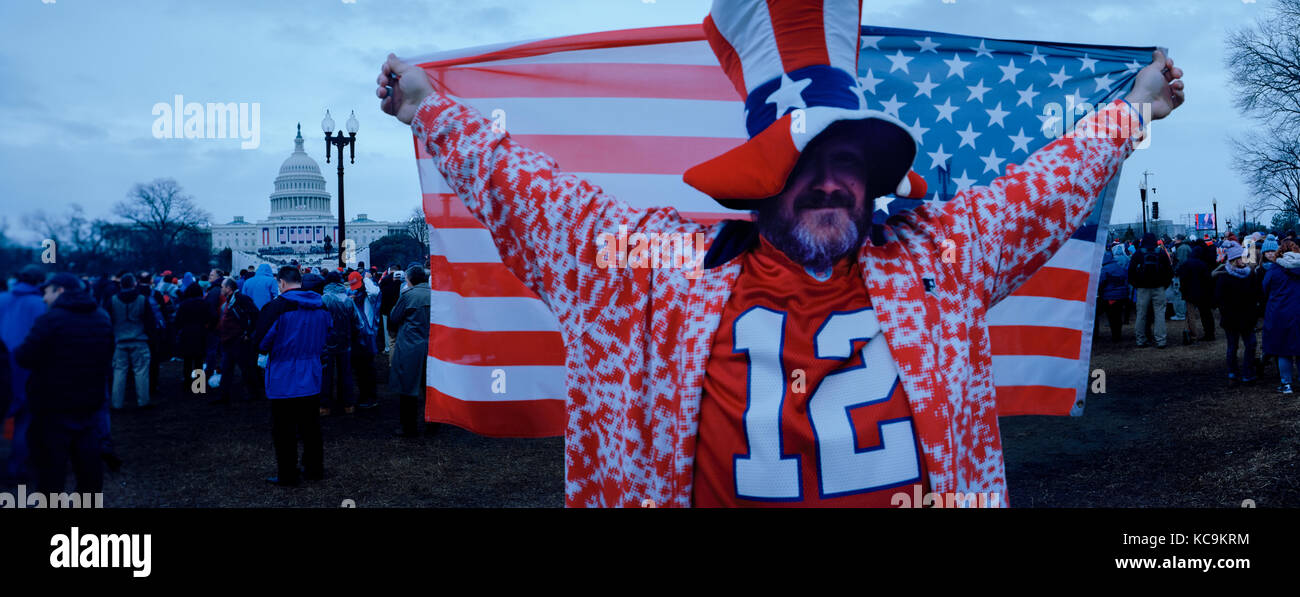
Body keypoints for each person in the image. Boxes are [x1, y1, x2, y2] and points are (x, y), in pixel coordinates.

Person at [377, 1, 1184, 507]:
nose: (831, 184)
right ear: (759, 182)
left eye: (849, 163)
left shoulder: (940, 256)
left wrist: (1134, 113)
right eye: (803, 163)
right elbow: (538, 199)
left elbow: (1044, 186)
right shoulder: (659, 274)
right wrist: (428, 111)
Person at [14, 273, 115, 493]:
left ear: (60, 290)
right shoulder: (101, 316)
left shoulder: (50, 320)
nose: (43, 298)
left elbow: (24, 356)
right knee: (89, 469)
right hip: (89, 404)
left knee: (51, 471)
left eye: (46, 292)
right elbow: (108, 354)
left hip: (53, 407)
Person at [251, 266, 330, 486]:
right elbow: (327, 335)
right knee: (311, 426)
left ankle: (288, 473)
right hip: (312, 373)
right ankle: (314, 468)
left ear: (282, 283)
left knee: (283, 429)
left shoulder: (276, 307)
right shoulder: (321, 305)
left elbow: (261, 341)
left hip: (283, 376)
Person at [0, 264, 48, 480]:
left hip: (2, 364)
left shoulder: (1, 299)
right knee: (25, 420)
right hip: (27, 368)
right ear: (39, 282)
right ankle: (16, 467)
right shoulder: (40, 304)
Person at [387, 264, 431, 437]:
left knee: (408, 388)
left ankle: (408, 426)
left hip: (411, 346)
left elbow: (394, 317)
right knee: (429, 388)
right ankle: (433, 423)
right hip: (432, 345)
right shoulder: (436, 294)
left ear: (410, 279)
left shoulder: (408, 295)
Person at [1214, 242, 1264, 385]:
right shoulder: (1224, 277)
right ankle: (1233, 373)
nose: (1245, 260)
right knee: (1233, 346)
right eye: (1242, 258)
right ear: (1234, 260)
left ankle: (1247, 373)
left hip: (1247, 317)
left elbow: (1257, 294)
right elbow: (1219, 298)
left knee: (1251, 344)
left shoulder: (1250, 275)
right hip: (1232, 318)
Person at [108, 274, 155, 410]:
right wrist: (153, 340)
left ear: (121, 284)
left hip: (120, 341)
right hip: (139, 340)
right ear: (134, 284)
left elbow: (108, 321)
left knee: (119, 372)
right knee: (141, 372)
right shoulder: (142, 299)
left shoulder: (113, 300)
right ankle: (143, 401)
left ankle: (117, 403)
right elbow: (150, 322)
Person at [213, 278, 262, 403]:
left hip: (238, 341)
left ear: (229, 288)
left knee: (246, 368)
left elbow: (256, 315)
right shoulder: (229, 301)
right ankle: (223, 396)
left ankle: (254, 393)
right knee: (227, 368)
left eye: (223, 287)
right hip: (228, 340)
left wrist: (248, 333)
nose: (221, 289)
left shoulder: (241, 299)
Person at [319, 271, 358, 416]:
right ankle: (348, 404)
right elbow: (357, 322)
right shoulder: (348, 300)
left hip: (326, 342)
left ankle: (324, 406)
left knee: (325, 374)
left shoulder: (322, 299)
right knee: (346, 373)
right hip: (345, 341)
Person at [1263, 242, 1300, 394]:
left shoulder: (1274, 269)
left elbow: (1265, 287)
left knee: (1283, 350)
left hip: (1279, 314)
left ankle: (1286, 384)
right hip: (1298, 311)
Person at [1129, 233, 1175, 348]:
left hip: (1142, 288)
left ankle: (1141, 340)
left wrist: (1136, 284)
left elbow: (1131, 272)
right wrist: (1164, 285)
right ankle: (1161, 340)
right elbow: (1169, 271)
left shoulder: (1138, 253)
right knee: (1159, 314)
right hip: (1159, 287)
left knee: (1141, 314)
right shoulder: (1161, 253)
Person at [349, 271, 381, 409]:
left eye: (358, 285)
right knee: (359, 369)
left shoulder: (370, 296)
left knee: (369, 368)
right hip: (357, 337)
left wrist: (367, 279)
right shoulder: (354, 296)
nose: (356, 289)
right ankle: (363, 395)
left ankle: (371, 397)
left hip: (368, 337)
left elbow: (374, 292)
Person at [173, 283, 213, 395]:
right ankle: (198, 385)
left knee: (187, 359)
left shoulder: (184, 304)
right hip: (200, 332)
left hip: (186, 332)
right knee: (199, 359)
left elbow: (177, 320)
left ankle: (186, 383)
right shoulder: (205, 303)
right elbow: (211, 317)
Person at [1177, 242, 1217, 344]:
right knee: (1206, 314)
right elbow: (1208, 280)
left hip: (1189, 293)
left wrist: (1183, 291)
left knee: (1191, 315)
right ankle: (1209, 333)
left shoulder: (1186, 263)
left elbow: (1183, 279)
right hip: (1203, 293)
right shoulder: (1203, 264)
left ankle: (1193, 335)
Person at [1097, 250, 1129, 342]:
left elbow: (1101, 283)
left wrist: (1100, 292)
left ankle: (1096, 335)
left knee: (1108, 316)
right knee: (1117, 316)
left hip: (1109, 296)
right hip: (1121, 296)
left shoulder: (1105, 269)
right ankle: (1117, 335)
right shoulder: (1119, 267)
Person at [378, 265, 403, 355]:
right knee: (399, 329)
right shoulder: (402, 279)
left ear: (390, 270)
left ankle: (388, 348)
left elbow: (379, 291)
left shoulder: (385, 279)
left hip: (385, 308)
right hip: (398, 308)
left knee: (387, 330)